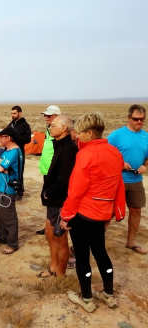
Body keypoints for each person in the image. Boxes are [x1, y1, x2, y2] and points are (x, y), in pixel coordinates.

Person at [60, 113, 125, 313]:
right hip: (102, 214)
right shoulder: (115, 152)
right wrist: (115, 212)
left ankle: (87, 299)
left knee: (82, 257)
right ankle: (108, 294)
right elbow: (117, 185)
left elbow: (76, 190)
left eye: (80, 132)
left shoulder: (86, 155)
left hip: (83, 215)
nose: (77, 136)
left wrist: (65, 216)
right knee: (101, 252)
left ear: (89, 133)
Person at [38, 115, 77, 277]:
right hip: (53, 200)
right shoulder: (59, 144)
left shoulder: (69, 148)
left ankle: (60, 275)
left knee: (60, 238)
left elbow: (65, 179)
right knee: (50, 234)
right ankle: (53, 267)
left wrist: (49, 192)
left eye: (53, 125)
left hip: (62, 200)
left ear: (64, 129)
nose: (50, 127)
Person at [108, 104, 148, 255]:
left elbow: (147, 160)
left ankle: (131, 242)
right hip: (117, 180)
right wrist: (120, 163)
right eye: (136, 119)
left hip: (136, 181)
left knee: (136, 210)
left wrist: (145, 167)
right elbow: (105, 155)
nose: (139, 122)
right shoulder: (116, 136)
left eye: (142, 120)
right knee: (109, 212)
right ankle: (94, 242)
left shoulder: (146, 137)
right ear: (128, 118)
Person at [0, 127, 23, 254]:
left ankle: (12, 243)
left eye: (2, 136)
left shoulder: (13, 152)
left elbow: (0, 167)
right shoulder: (8, 150)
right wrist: (0, 167)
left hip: (7, 188)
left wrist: (1, 167)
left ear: (8, 138)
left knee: (9, 217)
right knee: (0, 215)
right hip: (2, 187)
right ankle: (2, 237)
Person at [36, 105, 61, 235]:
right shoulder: (49, 129)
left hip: (54, 172)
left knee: (55, 200)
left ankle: (55, 227)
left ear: (57, 116)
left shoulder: (61, 131)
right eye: (45, 115)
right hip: (46, 171)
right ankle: (49, 226)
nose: (46, 117)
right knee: (48, 200)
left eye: (49, 115)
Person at [5, 106, 32, 198]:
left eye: (14, 113)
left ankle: (19, 192)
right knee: (9, 170)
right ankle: (11, 190)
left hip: (19, 152)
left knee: (18, 172)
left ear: (20, 113)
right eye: (12, 113)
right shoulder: (12, 123)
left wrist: (15, 136)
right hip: (9, 151)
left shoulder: (25, 125)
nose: (12, 115)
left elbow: (28, 139)